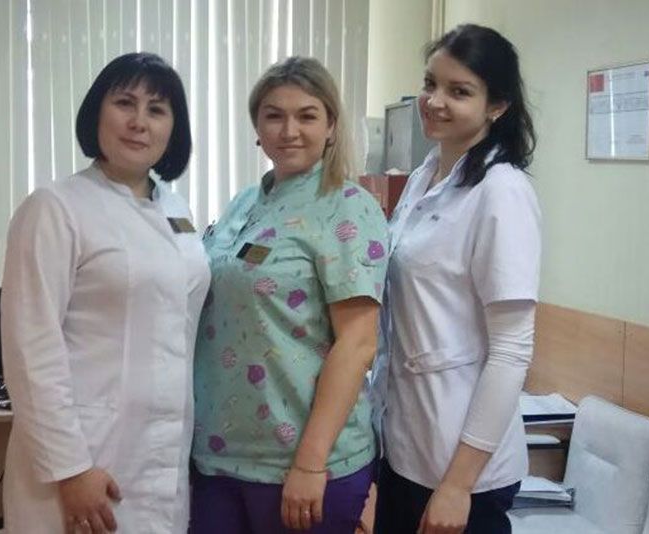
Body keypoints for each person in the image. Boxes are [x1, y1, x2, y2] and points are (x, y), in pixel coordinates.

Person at [0, 52, 209, 534]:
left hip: (161, 456)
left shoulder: (176, 210)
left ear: (173, 128)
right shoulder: (55, 207)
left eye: (157, 110)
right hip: (83, 457)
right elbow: (31, 346)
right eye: (124, 103)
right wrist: (70, 468)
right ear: (97, 112)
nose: (139, 122)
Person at [190, 56, 388, 534]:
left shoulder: (347, 207)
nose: (289, 130)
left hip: (302, 463)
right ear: (257, 128)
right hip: (218, 454)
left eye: (307, 115)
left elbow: (358, 343)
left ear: (331, 126)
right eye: (274, 115)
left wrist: (310, 463)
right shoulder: (245, 202)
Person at [371, 24, 541, 534]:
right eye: (431, 84)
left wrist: (458, 484)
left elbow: (512, 349)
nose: (434, 101)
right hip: (405, 446)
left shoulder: (502, 191)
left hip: (462, 469)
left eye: (459, 91)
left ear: (497, 106)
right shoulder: (425, 177)